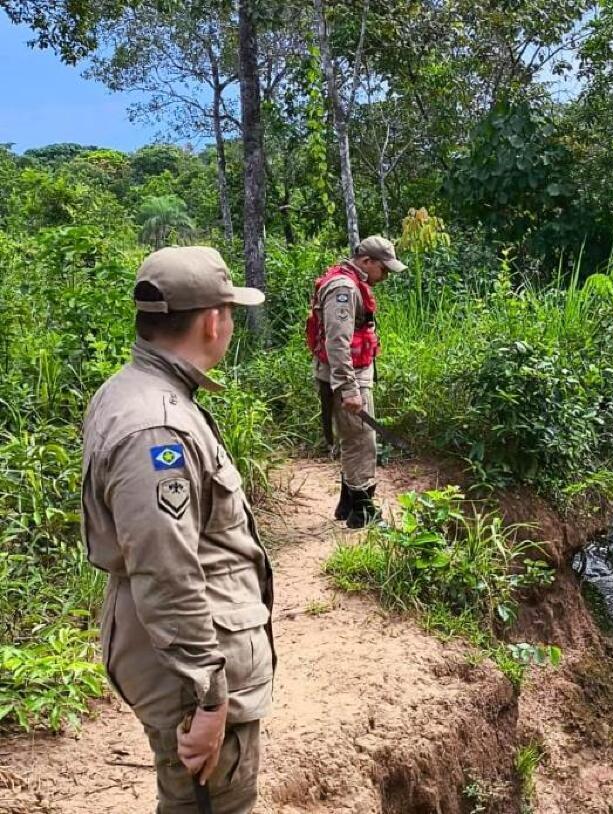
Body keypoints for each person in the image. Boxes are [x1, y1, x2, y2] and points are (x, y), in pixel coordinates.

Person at [82, 246, 273, 813]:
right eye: (231, 312)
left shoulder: (131, 391)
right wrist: (209, 699)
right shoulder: (157, 429)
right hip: (190, 670)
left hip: (178, 654)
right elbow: (166, 571)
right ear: (212, 321)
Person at [306, 235, 406, 528]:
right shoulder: (344, 288)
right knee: (362, 440)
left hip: (346, 373)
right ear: (367, 261)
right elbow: (338, 342)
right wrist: (349, 389)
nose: (385, 275)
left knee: (353, 438)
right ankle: (362, 511)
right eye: (383, 269)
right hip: (346, 377)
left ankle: (347, 503)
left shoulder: (348, 281)